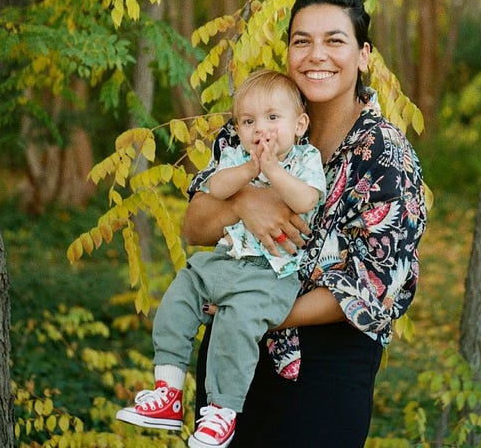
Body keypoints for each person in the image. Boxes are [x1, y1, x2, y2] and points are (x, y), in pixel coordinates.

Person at [183, 0, 427, 447]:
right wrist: (241, 203)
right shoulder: (257, 124)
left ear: (363, 55)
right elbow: (193, 226)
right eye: (302, 41)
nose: (317, 55)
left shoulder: (385, 156)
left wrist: (262, 312)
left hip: (323, 376)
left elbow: (375, 284)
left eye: (335, 40)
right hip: (231, 364)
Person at [115, 69, 326, 448]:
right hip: (225, 261)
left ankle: (223, 412)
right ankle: (168, 390)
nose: (260, 129)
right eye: (248, 121)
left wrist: (273, 172)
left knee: (235, 327)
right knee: (179, 296)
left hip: (270, 273)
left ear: (300, 125)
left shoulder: (305, 158)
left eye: (273, 118)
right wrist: (249, 169)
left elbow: (306, 200)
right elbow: (214, 188)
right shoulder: (235, 155)